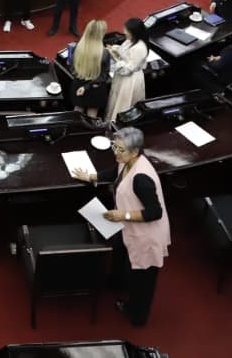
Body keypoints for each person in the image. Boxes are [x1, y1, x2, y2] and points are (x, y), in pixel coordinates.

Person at [69, 127, 169, 326]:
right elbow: (116, 172)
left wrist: (124, 215)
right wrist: (91, 176)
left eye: (120, 149)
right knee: (120, 252)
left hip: (146, 235)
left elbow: (155, 212)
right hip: (128, 226)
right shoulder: (127, 161)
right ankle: (116, 283)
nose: (115, 152)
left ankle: (137, 316)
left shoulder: (141, 179)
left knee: (142, 281)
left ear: (135, 151)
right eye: (114, 146)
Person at [106, 18, 151, 120]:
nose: (124, 32)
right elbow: (125, 52)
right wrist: (114, 49)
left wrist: (114, 57)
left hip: (130, 80)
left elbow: (127, 70)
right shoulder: (131, 40)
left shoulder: (140, 48)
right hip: (122, 77)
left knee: (123, 103)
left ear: (134, 32)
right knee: (116, 99)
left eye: (127, 30)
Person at [70, 19, 111, 118]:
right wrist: (88, 86)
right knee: (92, 114)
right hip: (95, 88)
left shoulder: (77, 48)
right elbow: (103, 77)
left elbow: (72, 68)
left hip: (79, 84)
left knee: (77, 112)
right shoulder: (104, 53)